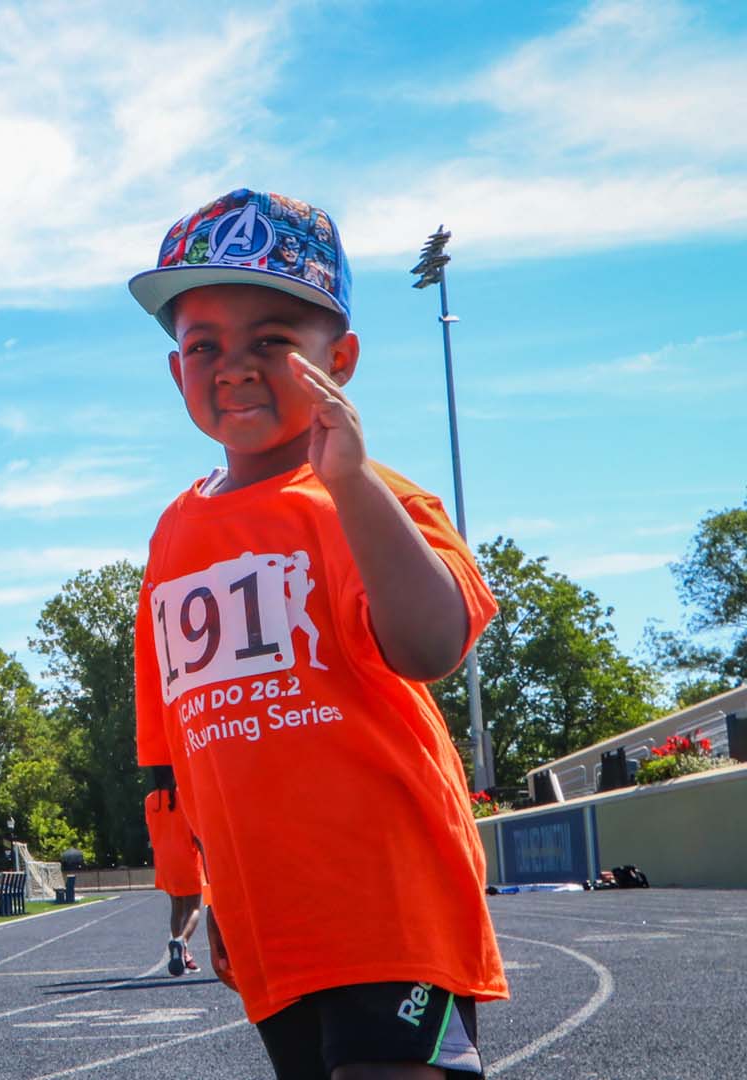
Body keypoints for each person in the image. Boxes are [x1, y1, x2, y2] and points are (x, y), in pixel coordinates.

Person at [127, 189, 507, 1079]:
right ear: (176, 372)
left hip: (390, 898)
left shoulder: (375, 498)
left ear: (339, 359)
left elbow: (435, 645)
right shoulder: (173, 533)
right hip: (272, 920)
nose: (235, 366)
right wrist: (203, 880)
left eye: (273, 341)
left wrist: (353, 484)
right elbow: (179, 731)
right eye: (204, 345)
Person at [142, 766, 203, 976]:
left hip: (164, 859)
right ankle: (181, 942)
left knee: (176, 906)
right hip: (186, 855)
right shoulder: (184, 797)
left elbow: (152, 829)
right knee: (195, 906)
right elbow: (195, 831)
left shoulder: (150, 800)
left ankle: (183, 955)